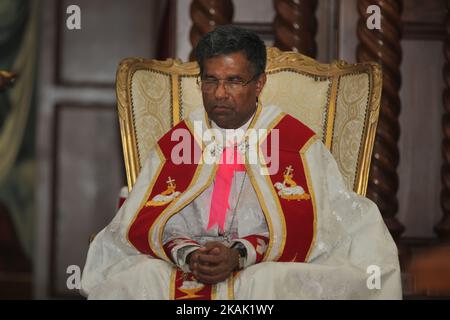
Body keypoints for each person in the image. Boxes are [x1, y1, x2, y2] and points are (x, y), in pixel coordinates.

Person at [80, 25, 402, 299]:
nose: (220, 93)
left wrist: (240, 253)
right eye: (210, 80)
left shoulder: (295, 145)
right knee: (140, 279)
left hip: (262, 264)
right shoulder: (180, 141)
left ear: (259, 84)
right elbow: (150, 220)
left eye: (234, 81)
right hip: (188, 261)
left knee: (268, 284)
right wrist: (190, 253)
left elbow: (316, 227)